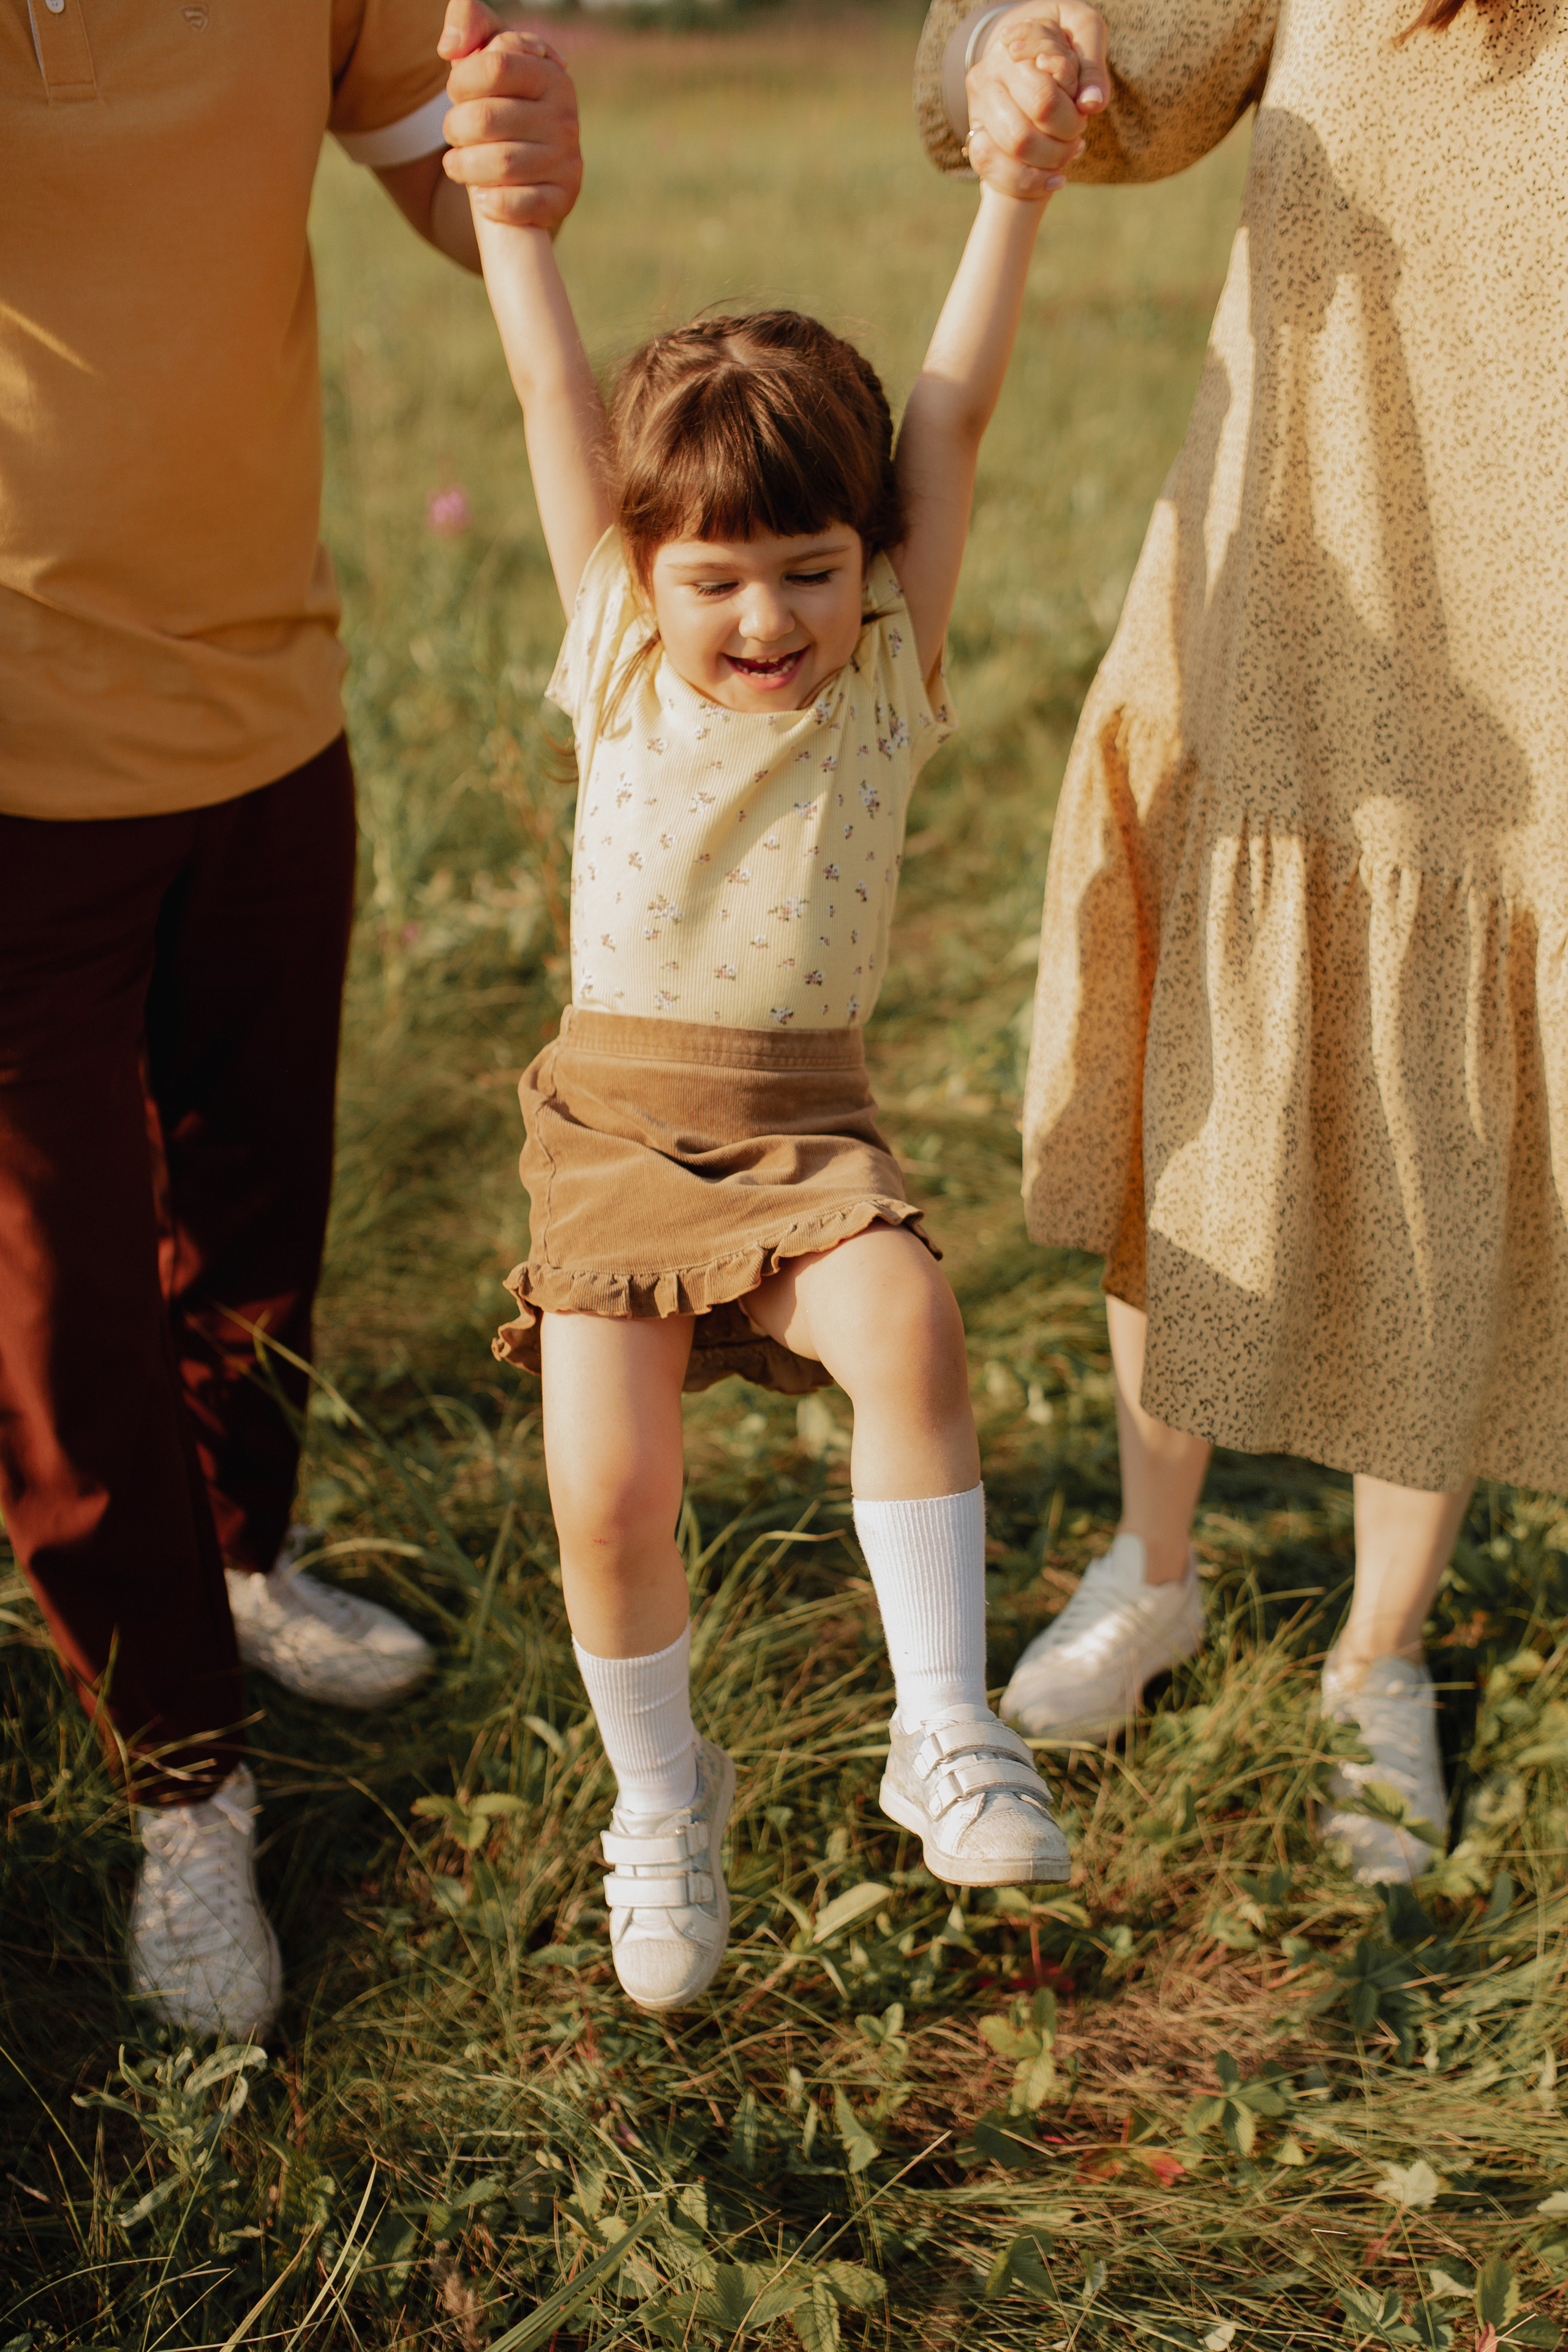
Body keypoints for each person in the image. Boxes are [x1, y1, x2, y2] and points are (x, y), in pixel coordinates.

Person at [462, 14, 1107, 2012]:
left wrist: (1013, 193)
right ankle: (664, 1802)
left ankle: (943, 1728)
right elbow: (552, 390)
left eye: (811, 574)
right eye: (722, 580)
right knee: (606, 1491)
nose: (767, 620)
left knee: (908, 1322)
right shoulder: (617, 641)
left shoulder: (885, 665)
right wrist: (515, 228)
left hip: (807, 1131)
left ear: (868, 568)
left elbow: (955, 415)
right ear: (645, 575)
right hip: (615, 1135)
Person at [915, 0, 1568, 1883]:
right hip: (1289, 596)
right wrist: (1013, 54)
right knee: (1199, 1088)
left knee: (1450, 1132)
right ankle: (1154, 1563)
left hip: (1527, 653)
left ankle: (1379, 1654)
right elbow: (1099, 73)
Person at [0, 0, 580, 2041]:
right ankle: (183, 1780)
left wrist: (516, 155)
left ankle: (242, 1567)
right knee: (61, 1307)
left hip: (267, 703)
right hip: (14, 766)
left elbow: (439, 168)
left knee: (257, 1203)